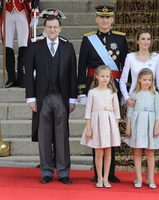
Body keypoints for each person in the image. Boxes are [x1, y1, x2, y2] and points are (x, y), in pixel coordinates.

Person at [78, 4, 128, 183]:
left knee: (111, 130)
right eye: (101, 17)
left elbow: (125, 67)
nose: (105, 20)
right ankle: (96, 173)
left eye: (108, 17)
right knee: (96, 131)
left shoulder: (120, 39)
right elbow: (81, 66)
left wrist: (124, 93)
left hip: (113, 88)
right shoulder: (88, 39)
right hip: (94, 87)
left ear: (112, 19)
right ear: (96, 19)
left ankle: (111, 172)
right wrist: (83, 91)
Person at [24, 14, 77, 184]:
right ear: (44, 29)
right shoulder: (35, 47)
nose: (52, 30)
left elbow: (72, 75)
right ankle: (46, 171)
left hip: (61, 96)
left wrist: (72, 99)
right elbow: (28, 75)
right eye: (49, 27)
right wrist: (30, 98)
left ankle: (63, 172)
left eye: (55, 27)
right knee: (44, 134)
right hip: (43, 97)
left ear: (60, 29)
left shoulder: (67, 47)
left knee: (62, 135)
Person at [81, 65, 121, 188]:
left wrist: (116, 128)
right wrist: (88, 128)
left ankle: (106, 178)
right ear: (97, 77)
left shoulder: (112, 92)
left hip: (109, 124)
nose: (105, 78)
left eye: (107, 76)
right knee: (99, 152)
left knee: (108, 152)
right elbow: (88, 112)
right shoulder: (92, 92)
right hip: (96, 124)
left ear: (110, 77)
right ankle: (99, 177)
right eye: (102, 76)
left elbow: (117, 112)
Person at [125, 68, 159, 189]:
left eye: (150, 80)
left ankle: (151, 179)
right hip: (137, 124)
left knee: (150, 152)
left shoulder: (155, 94)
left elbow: (158, 113)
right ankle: (138, 178)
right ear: (139, 79)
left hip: (150, 124)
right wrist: (128, 127)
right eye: (145, 79)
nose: (147, 82)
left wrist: (156, 127)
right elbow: (129, 112)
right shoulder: (134, 94)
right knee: (137, 152)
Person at [120, 28, 159, 109]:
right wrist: (127, 97)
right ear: (137, 41)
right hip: (134, 99)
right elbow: (123, 80)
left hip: (151, 98)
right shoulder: (130, 57)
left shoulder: (156, 57)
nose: (146, 42)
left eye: (148, 39)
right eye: (143, 39)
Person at [1, 0, 40, 88]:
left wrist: (35, 13)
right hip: (7, 11)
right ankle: (11, 78)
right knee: (7, 45)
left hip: (23, 10)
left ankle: (21, 77)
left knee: (23, 44)